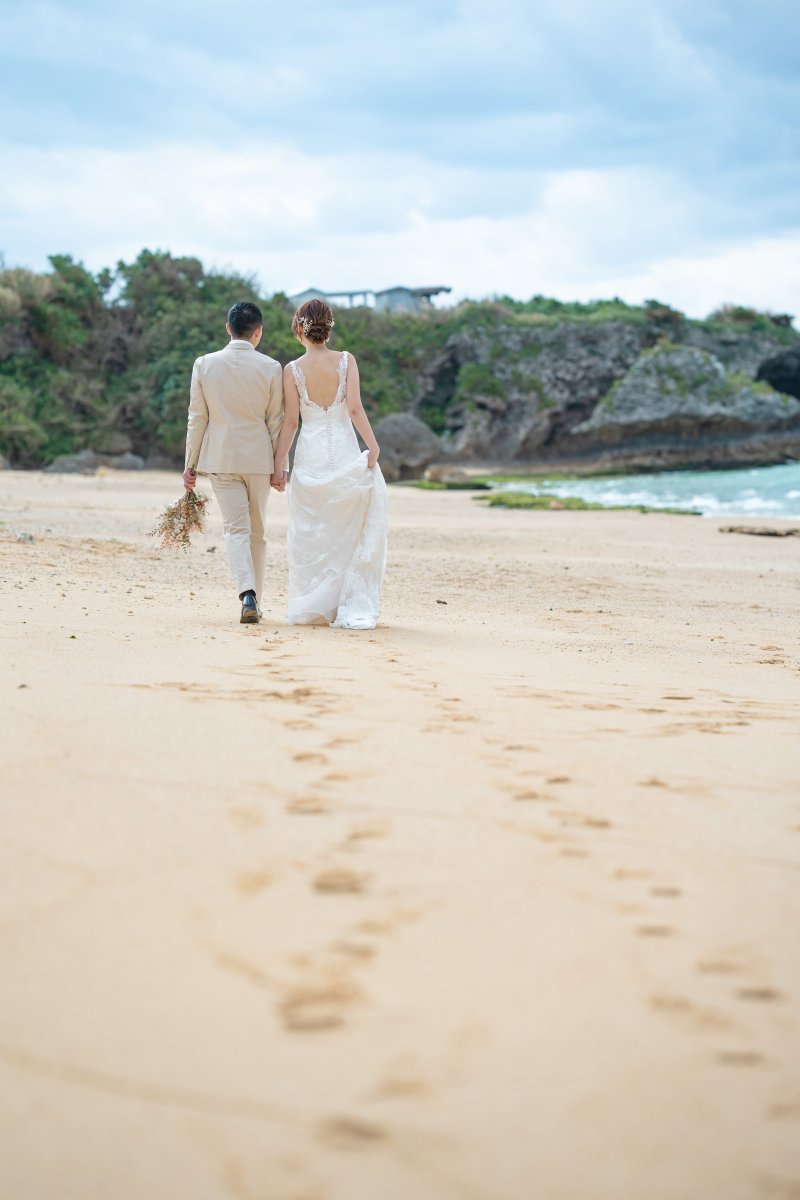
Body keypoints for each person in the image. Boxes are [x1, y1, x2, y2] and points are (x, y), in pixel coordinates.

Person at [269, 299, 388, 629]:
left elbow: (291, 423)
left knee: (313, 530)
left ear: (298, 328)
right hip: (344, 449)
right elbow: (354, 409)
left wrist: (279, 465)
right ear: (329, 326)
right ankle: (340, 603)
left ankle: (318, 607)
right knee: (346, 526)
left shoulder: (291, 370)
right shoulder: (346, 360)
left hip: (311, 454)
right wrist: (373, 445)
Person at [182, 301, 286, 624]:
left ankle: (247, 595)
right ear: (258, 332)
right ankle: (256, 598)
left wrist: (190, 463)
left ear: (228, 328)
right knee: (258, 532)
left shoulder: (204, 364)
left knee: (235, 530)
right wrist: (279, 466)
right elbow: (275, 422)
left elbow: (197, 417)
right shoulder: (271, 367)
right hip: (259, 460)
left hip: (221, 459)